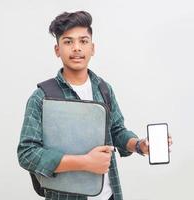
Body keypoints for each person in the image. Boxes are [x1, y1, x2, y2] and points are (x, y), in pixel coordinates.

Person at [17, 11, 172, 200]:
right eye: (68, 42)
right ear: (57, 49)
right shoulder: (42, 97)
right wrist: (84, 162)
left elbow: (116, 131)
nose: (76, 48)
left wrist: (139, 145)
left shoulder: (104, 89)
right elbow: (27, 154)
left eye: (83, 41)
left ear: (92, 47)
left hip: (110, 195)